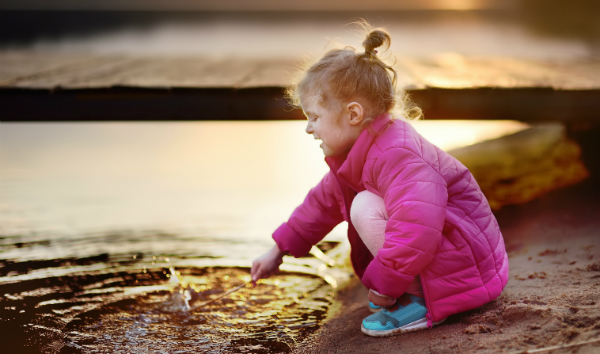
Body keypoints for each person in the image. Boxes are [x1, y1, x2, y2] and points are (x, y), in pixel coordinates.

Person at [250, 24, 509, 337]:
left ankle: (421, 302)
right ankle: (413, 290)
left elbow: (416, 227)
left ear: (354, 114)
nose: (308, 128)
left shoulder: (397, 153)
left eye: (314, 117)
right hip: (456, 262)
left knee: (364, 206)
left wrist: (386, 288)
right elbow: (321, 203)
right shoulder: (359, 153)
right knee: (359, 201)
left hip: (466, 266)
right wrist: (276, 251)